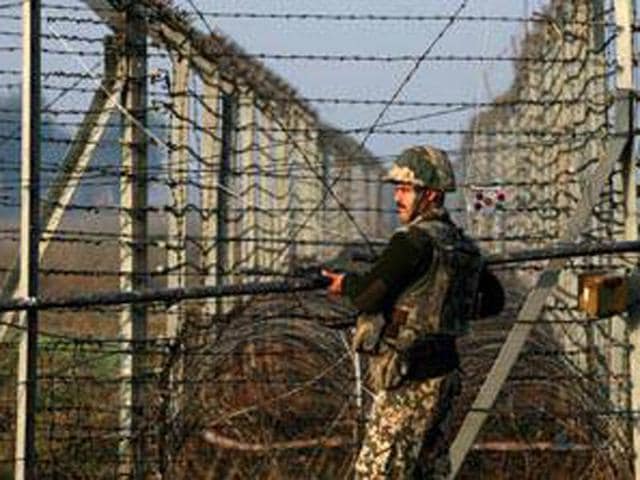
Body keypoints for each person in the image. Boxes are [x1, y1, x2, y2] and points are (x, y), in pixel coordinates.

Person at [322, 145, 484, 479]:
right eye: (396, 188)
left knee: (377, 473)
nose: (398, 197)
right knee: (425, 472)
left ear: (432, 195)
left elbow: (368, 297)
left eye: (407, 189)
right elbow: (491, 299)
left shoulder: (412, 242)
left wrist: (346, 284)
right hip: (444, 376)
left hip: (408, 380)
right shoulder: (461, 245)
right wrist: (441, 304)